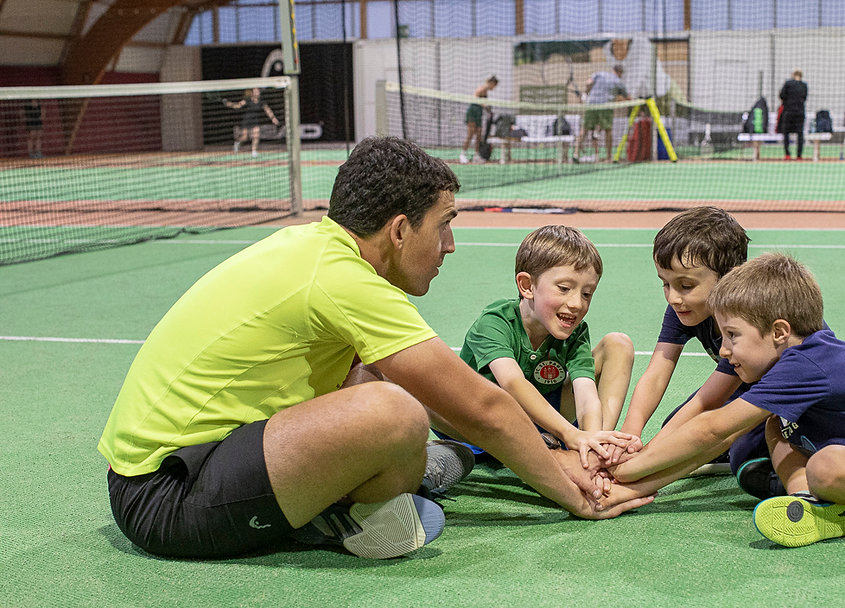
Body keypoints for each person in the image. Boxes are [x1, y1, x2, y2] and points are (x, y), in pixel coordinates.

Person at [97, 136, 653, 562]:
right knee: (394, 412)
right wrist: (572, 493)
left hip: (189, 466)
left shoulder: (316, 248)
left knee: (389, 384)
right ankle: (335, 517)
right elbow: (481, 408)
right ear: (400, 230)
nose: (451, 246)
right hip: (168, 498)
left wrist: (552, 453)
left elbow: (457, 403)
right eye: (444, 225)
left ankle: (387, 476)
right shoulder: (342, 279)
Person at [606, 253, 845, 548]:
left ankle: (826, 496)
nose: (723, 350)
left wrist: (619, 474)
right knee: (775, 426)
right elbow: (721, 440)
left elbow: (712, 429)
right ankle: (809, 504)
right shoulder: (792, 356)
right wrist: (636, 489)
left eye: (733, 336)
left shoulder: (806, 364)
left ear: (779, 332)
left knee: (827, 466)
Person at [432, 225, 637, 468]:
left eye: (587, 294)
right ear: (527, 286)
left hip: (546, 422)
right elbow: (512, 383)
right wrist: (568, 433)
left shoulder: (576, 332)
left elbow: (586, 394)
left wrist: (590, 438)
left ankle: (596, 451)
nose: (576, 303)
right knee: (416, 387)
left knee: (618, 344)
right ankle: (533, 447)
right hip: (481, 425)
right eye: (564, 289)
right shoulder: (495, 322)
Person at [607, 207, 772, 490]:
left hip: (779, 396)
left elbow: (706, 401)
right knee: (675, 429)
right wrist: (628, 438)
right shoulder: (683, 309)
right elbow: (656, 374)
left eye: (685, 285)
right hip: (745, 388)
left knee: (739, 452)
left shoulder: (744, 318)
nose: (673, 297)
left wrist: (643, 459)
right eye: (665, 284)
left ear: (729, 278)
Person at [573, 65, 629, 163]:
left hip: (592, 104)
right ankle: (608, 157)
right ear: (620, 73)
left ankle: (576, 154)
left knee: (584, 129)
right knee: (608, 131)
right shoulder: (618, 82)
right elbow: (628, 97)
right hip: (606, 106)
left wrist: (586, 93)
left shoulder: (600, 74)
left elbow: (588, 83)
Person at [224, 88, 279, 157]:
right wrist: (229, 104)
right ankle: (237, 143)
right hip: (246, 121)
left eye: (258, 91)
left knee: (256, 135)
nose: (257, 93)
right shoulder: (247, 100)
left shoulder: (261, 102)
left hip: (255, 121)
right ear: (252, 93)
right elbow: (238, 105)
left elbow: (268, 110)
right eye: (255, 91)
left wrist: (273, 118)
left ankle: (254, 151)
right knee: (244, 137)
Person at [460, 75, 498, 165]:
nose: (494, 88)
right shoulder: (481, 89)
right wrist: (485, 105)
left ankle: (476, 156)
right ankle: (463, 155)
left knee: (479, 136)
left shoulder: (486, 91)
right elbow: (475, 99)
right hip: (473, 113)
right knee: (470, 135)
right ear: (491, 83)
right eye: (494, 85)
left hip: (479, 114)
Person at [778, 70, 808, 160]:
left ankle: (787, 154)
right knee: (800, 134)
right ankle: (799, 155)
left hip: (788, 112)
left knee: (786, 133)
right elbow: (805, 97)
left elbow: (782, 95)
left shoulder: (788, 84)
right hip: (800, 112)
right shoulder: (804, 85)